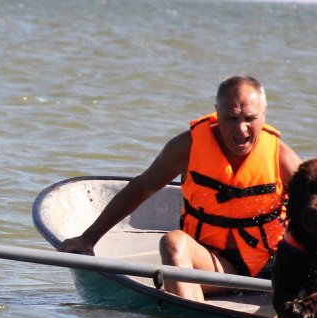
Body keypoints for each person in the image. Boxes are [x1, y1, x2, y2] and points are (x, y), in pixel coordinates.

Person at [58, 75, 302, 302]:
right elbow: (141, 188)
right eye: (232, 118)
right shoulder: (187, 147)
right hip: (213, 265)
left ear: (264, 114)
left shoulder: (282, 158)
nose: (241, 129)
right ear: (217, 112)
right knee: (173, 242)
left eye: (250, 119)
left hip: (271, 269)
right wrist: (88, 239)